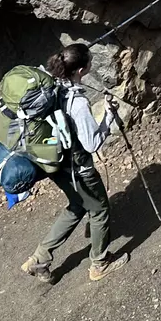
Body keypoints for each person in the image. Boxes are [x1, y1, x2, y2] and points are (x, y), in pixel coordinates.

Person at [21, 43, 128, 284]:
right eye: (89, 61)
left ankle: (39, 259)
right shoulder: (78, 103)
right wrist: (109, 115)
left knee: (77, 206)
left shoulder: (49, 85)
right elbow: (91, 144)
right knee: (99, 210)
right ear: (81, 70)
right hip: (78, 170)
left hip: (54, 163)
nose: (91, 63)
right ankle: (100, 264)